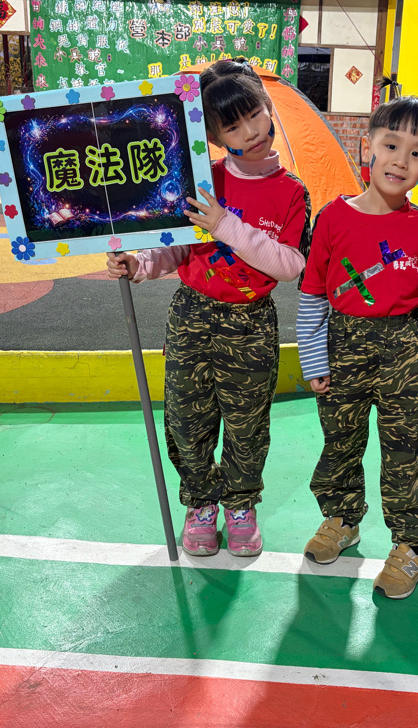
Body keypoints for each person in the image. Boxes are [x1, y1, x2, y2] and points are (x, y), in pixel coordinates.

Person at [107, 59, 310, 558]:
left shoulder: (292, 192)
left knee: (247, 424)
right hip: (192, 315)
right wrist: (139, 264)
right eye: (233, 126)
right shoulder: (200, 180)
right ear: (214, 137)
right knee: (186, 419)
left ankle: (241, 506)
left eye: (255, 114)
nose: (251, 131)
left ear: (268, 107)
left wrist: (224, 224)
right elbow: (177, 248)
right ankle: (201, 504)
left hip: (251, 323)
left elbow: (288, 264)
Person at [297, 95, 418, 600]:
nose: (401, 161)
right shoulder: (332, 218)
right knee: (340, 440)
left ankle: (411, 544)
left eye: (417, 153)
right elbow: (313, 293)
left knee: (408, 450)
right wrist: (312, 356)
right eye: (392, 145)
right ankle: (342, 518)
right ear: (368, 147)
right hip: (342, 344)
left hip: (403, 349)